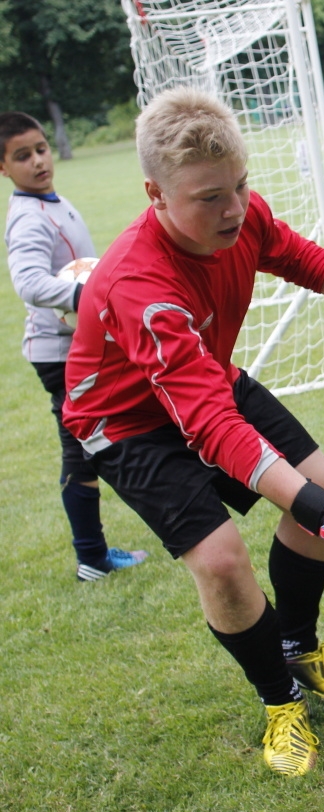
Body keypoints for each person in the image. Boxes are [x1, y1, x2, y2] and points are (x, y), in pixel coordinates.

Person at [61, 87, 324, 776]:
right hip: (125, 422)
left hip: (204, 374)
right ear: (155, 194)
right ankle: (278, 696)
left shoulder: (242, 213)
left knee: (321, 488)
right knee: (223, 559)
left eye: (239, 184)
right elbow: (207, 426)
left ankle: (298, 641)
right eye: (208, 197)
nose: (233, 208)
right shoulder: (137, 284)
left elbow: (291, 250)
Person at [0, 111, 148, 583]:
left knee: (88, 450)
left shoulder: (51, 201)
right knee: (83, 452)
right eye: (22, 156)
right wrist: (88, 294)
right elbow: (29, 282)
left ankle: (93, 553)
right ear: (3, 167)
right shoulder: (26, 217)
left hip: (76, 348)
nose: (38, 161)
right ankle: (91, 556)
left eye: (41, 149)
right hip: (59, 354)